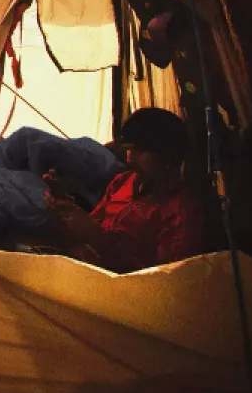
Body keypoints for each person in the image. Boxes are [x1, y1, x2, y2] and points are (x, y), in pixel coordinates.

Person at [43, 108, 205, 273]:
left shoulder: (180, 212)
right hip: (78, 266)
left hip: (114, 289)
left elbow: (161, 281)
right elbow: (87, 229)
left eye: (139, 151)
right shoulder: (122, 182)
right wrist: (66, 211)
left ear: (167, 155)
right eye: (128, 149)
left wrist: (94, 234)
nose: (129, 158)